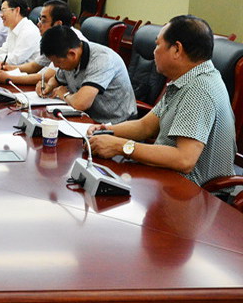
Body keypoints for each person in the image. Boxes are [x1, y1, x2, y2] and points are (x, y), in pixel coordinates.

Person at [88, 15, 236, 191]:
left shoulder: (199, 89)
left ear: (177, 49)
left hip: (192, 192)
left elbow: (184, 159)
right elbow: (145, 127)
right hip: (167, 179)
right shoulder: (186, 80)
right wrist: (106, 130)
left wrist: (121, 146)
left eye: (158, 45)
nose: (154, 52)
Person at [37, 25, 137, 125]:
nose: (55, 66)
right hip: (87, 117)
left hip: (116, 123)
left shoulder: (102, 60)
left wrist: (64, 95)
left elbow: (81, 103)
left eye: (57, 62)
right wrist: (48, 86)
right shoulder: (70, 58)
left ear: (72, 54)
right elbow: (56, 79)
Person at [0, 0, 81, 85]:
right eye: (39, 19)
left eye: (43, 21)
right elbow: (34, 66)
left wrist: (10, 78)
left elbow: (47, 77)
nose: (38, 24)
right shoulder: (54, 37)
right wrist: (11, 68)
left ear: (57, 24)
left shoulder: (70, 40)